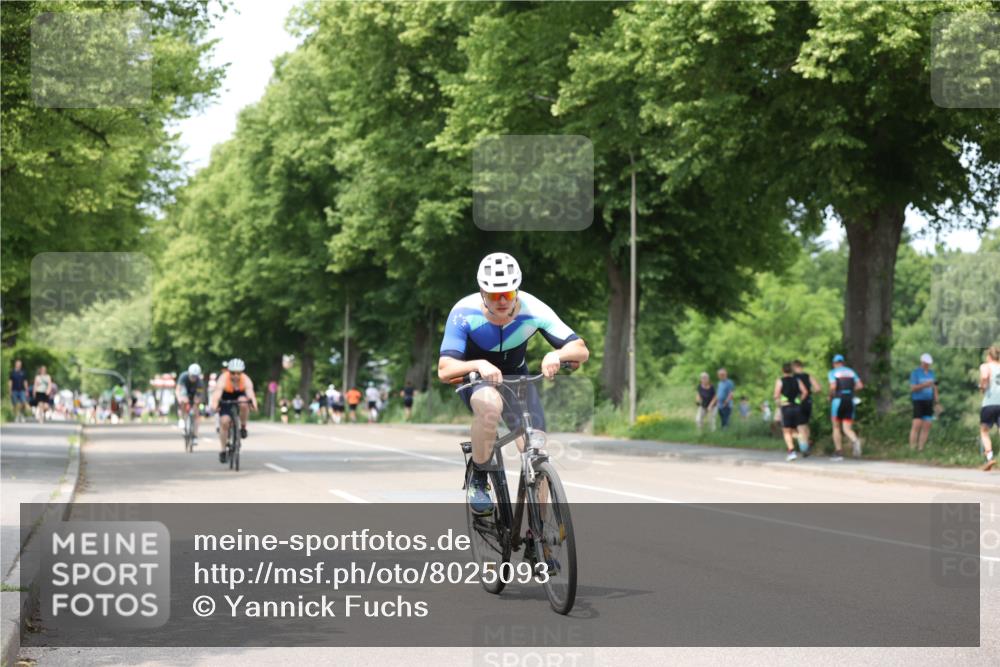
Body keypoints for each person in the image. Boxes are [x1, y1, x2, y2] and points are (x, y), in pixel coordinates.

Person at [437, 252, 589, 516]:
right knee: (490, 407)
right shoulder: (464, 313)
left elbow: (580, 350)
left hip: (517, 377)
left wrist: (558, 354)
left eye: (508, 293)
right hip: (476, 377)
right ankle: (480, 477)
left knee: (535, 446)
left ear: (517, 289)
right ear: (482, 292)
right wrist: (477, 364)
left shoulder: (533, 309)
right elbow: (445, 369)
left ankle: (540, 535)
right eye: (495, 296)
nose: (503, 302)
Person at [208, 358, 258, 463]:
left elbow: (251, 394)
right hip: (226, 397)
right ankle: (222, 450)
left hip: (240, 396)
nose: (236, 375)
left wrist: (254, 405)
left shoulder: (246, 380)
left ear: (242, 372)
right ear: (228, 371)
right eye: (233, 373)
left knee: (244, 403)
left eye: (239, 373)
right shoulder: (223, 379)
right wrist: (214, 406)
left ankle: (243, 427)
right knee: (224, 422)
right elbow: (217, 395)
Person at [828, 354, 864, 461]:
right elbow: (860, 386)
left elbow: (833, 386)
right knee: (847, 428)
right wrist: (851, 390)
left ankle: (839, 452)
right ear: (843, 362)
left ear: (834, 363)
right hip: (850, 400)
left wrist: (830, 396)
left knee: (836, 427)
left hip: (838, 400)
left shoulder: (833, 372)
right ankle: (855, 440)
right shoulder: (851, 372)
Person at [774, 363, 809, 461]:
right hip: (797, 407)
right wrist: (799, 400)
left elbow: (776, 395)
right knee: (800, 428)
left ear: (782, 370)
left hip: (786, 407)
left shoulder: (780, 381)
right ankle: (804, 445)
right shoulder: (797, 380)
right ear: (792, 371)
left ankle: (791, 451)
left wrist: (779, 402)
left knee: (786, 431)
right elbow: (805, 392)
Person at [908, 353, 939, 452]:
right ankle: (912, 447)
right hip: (918, 400)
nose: (927, 365)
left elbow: (934, 387)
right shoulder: (916, 373)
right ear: (922, 362)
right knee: (917, 424)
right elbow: (913, 388)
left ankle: (921, 448)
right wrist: (925, 385)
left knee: (927, 424)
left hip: (928, 401)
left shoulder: (931, 373)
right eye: (926, 363)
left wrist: (936, 401)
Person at [792, 359, 821, 449]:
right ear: (802, 367)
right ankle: (807, 442)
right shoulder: (808, 376)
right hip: (808, 402)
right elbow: (818, 388)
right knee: (805, 424)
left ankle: (804, 447)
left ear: (794, 367)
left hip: (798, 402)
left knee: (800, 426)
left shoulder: (793, 378)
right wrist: (810, 391)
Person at [979, 346, 1000, 471]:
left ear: (989, 356)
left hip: (990, 402)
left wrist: (982, 387)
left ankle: (989, 456)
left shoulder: (985, 366)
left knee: (984, 430)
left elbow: (985, 378)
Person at [175, 363, 205, 446]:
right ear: (189, 373)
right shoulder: (183, 377)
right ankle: (182, 419)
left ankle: (195, 436)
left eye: (195, 376)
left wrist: (197, 402)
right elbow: (178, 390)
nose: (193, 378)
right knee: (183, 401)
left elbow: (199, 395)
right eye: (192, 376)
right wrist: (179, 398)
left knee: (196, 412)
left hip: (194, 393)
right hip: (184, 391)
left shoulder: (199, 381)